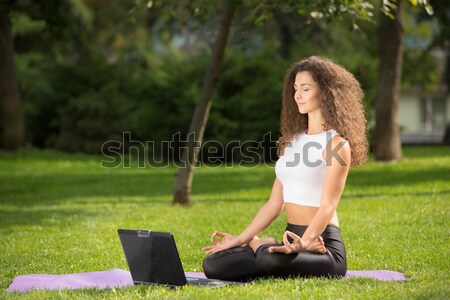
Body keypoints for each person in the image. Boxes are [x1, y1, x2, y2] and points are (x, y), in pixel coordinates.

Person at [201, 56, 368, 281]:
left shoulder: (336, 145)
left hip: (322, 246)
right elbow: (274, 205)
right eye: (295, 88)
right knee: (214, 264)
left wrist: (306, 241)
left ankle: (260, 244)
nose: (297, 95)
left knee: (269, 260)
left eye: (305, 89)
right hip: (290, 240)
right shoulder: (292, 142)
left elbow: (328, 205)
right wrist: (238, 239)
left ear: (327, 92)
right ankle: (260, 245)